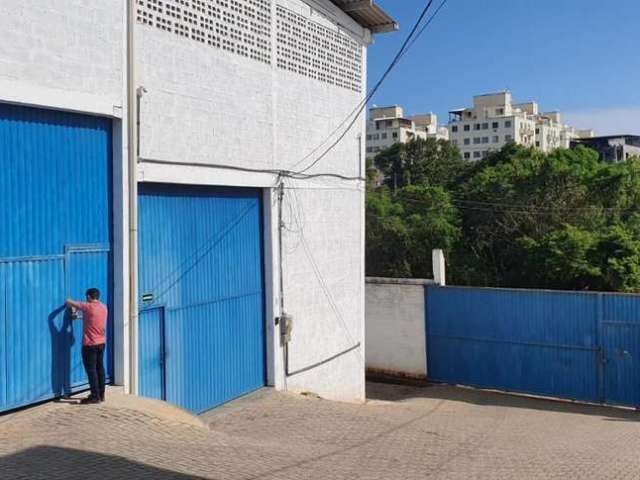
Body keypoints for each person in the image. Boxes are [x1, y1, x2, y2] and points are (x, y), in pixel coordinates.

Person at [65, 288, 108, 404]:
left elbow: (68, 301)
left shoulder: (88, 307)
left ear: (89, 297)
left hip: (90, 345)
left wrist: (73, 308)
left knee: (91, 370)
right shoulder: (103, 307)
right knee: (100, 368)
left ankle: (94, 396)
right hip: (101, 343)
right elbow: (92, 318)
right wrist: (78, 316)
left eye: (86, 297)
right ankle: (101, 394)